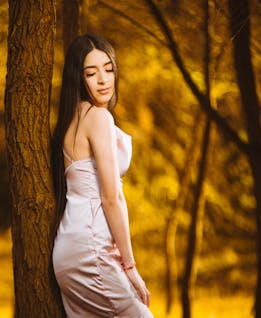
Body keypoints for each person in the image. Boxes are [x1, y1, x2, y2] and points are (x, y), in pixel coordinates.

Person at [51, 34, 153, 318]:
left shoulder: (70, 120)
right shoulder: (97, 117)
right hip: (91, 250)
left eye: (108, 69)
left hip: (68, 252)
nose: (103, 80)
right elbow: (111, 197)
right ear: (78, 78)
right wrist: (130, 266)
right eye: (91, 73)